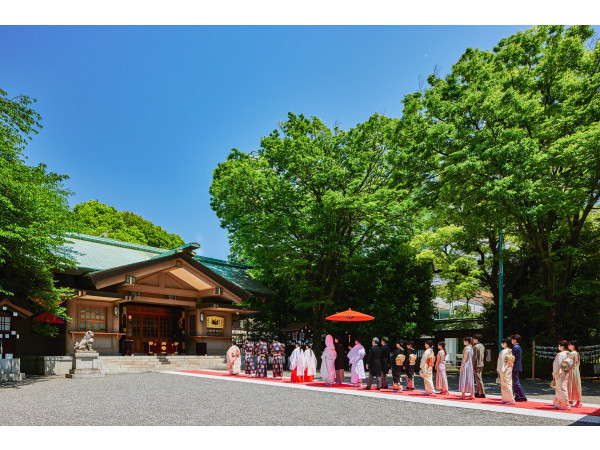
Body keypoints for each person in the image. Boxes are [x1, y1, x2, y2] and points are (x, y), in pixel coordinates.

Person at [552, 340, 573, 410]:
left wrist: (555, 372)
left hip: (560, 372)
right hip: (565, 372)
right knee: (559, 388)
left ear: (562, 346)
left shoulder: (561, 354)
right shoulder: (568, 354)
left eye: (559, 345)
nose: (558, 347)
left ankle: (565, 405)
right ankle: (558, 403)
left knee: (561, 388)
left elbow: (558, 364)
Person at [496, 338, 515, 404]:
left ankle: (510, 399)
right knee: (507, 383)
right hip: (509, 368)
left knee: (505, 384)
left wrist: (499, 369)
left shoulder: (503, 351)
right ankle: (505, 399)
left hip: (504, 369)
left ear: (505, 343)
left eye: (502, 343)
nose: (501, 344)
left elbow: (501, 361)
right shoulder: (510, 351)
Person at [510, 334, 527, 402]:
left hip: (515, 366)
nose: (511, 341)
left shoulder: (515, 347)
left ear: (515, 340)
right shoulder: (518, 347)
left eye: (512, 339)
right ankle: (518, 396)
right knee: (515, 381)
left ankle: (522, 396)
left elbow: (513, 358)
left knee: (516, 382)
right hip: (518, 366)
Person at [568, 340, 582, 407]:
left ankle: (569, 400)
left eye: (569, 344)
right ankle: (578, 401)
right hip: (576, 370)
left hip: (571, 370)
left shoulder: (572, 353)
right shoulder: (577, 353)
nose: (568, 346)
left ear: (573, 346)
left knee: (570, 385)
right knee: (576, 385)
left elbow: (568, 363)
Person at [472, 333, 486, 398]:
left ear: (476, 339)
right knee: (478, 378)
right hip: (481, 363)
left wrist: (472, 364)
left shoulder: (475, 347)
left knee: (478, 378)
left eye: (474, 339)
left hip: (476, 364)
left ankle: (482, 393)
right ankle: (477, 392)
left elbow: (474, 357)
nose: (473, 340)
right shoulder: (482, 346)